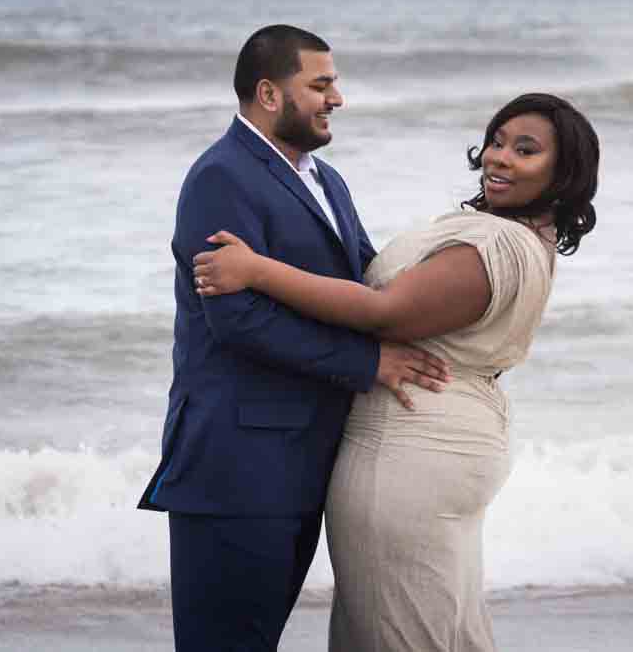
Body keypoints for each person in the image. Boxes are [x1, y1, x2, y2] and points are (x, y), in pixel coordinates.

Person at [192, 91, 600, 652]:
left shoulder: (497, 242)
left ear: (563, 173)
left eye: (525, 150)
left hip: (411, 448)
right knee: (445, 630)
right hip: (445, 438)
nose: (500, 158)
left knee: (396, 633)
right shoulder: (516, 236)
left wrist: (257, 270)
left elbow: (385, 312)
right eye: (497, 141)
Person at [138, 25, 451, 651]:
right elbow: (238, 320)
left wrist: (466, 262)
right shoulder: (220, 177)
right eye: (321, 84)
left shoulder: (326, 179)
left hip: (303, 462)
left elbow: (368, 280)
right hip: (236, 465)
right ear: (269, 93)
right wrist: (370, 363)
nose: (337, 98)